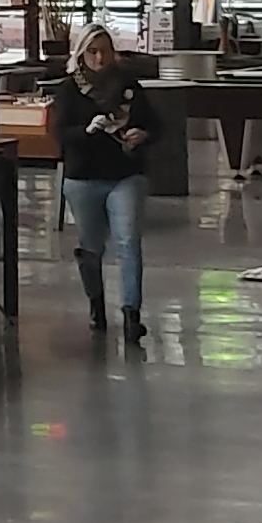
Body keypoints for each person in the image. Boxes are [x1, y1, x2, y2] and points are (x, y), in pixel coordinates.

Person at [55, 25, 168, 341]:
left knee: (128, 241)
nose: (99, 58)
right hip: (84, 177)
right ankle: (96, 306)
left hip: (125, 174)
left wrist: (143, 135)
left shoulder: (128, 85)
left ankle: (132, 314)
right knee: (91, 247)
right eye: (92, 51)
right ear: (81, 54)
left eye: (104, 50)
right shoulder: (69, 89)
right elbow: (60, 135)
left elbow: (157, 126)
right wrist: (87, 130)